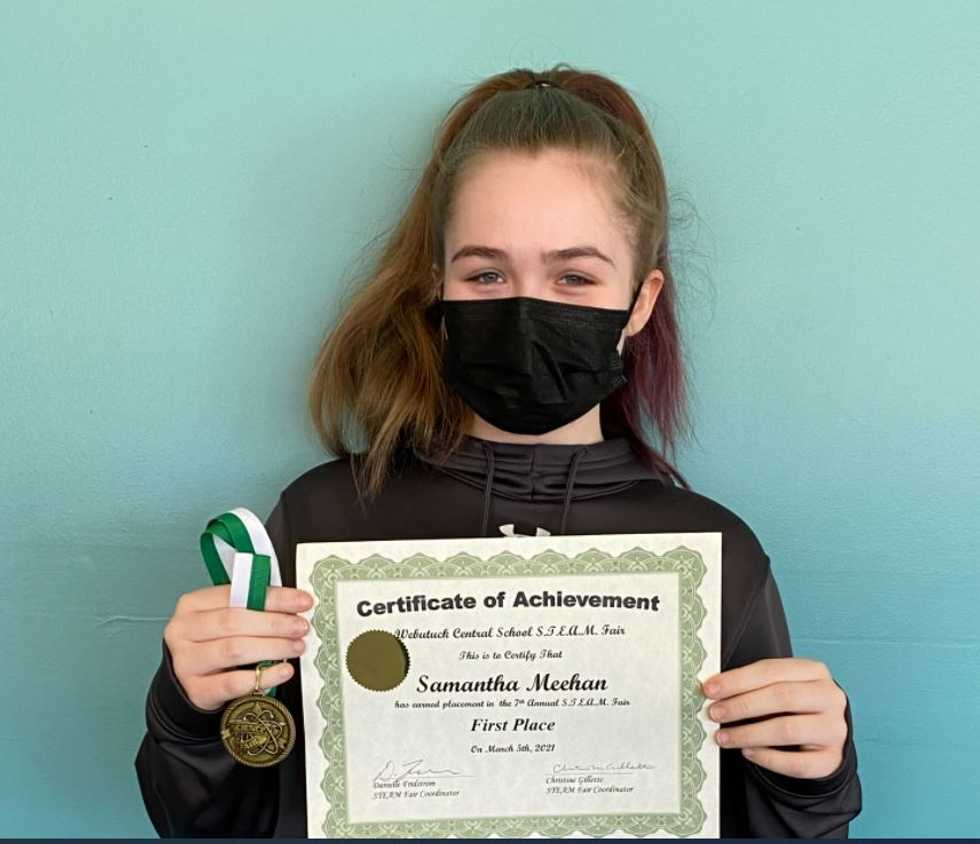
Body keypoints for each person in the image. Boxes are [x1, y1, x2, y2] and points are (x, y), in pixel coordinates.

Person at [134, 64, 862, 838]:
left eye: (574, 276)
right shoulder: (319, 525)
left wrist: (813, 777)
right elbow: (217, 824)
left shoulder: (716, 556)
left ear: (640, 302)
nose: (525, 310)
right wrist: (188, 711)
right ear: (439, 289)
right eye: (486, 273)